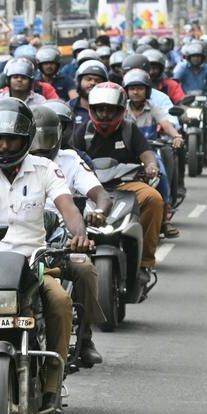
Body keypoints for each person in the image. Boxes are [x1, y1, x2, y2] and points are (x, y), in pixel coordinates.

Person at [0, 98, 93, 414]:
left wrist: (79, 234)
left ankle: (51, 384)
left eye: (13, 139)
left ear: (27, 138)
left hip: (35, 265)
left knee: (60, 302)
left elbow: (68, 206)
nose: (5, 146)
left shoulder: (46, 168)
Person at [29, 104, 111, 366]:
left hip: (60, 238)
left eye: (46, 144)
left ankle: (85, 339)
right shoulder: (2, 164)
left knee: (84, 268)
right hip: (19, 240)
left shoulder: (69, 161)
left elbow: (98, 196)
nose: (40, 150)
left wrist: (94, 217)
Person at [70, 83, 166, 292]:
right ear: (92, 109)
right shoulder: (82, 132)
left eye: (110, 109)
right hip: (91, 189)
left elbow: (147, 153)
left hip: (126, 186)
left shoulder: (130, 129)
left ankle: (145, 263)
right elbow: (70, 157)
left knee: (154, 199)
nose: (104, 114)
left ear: (120, 110)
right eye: (100, 109)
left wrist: (151, 166)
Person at [123, 68, 187, 227]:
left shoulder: (153, 107)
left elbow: (165, 123)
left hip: (148, 151)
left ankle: (165, 215)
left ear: (147, 90)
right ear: (126, 91)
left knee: (162, 175)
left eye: (139, 88)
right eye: (132, 89)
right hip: (126, 152)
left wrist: (176, 136)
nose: (136, 92)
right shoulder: (121, 108)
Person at [68, 60, 110, 130]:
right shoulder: (68, 109)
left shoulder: (111, 109)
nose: (93, 83)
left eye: (98, 80)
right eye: (88, 79)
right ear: (79, 81)